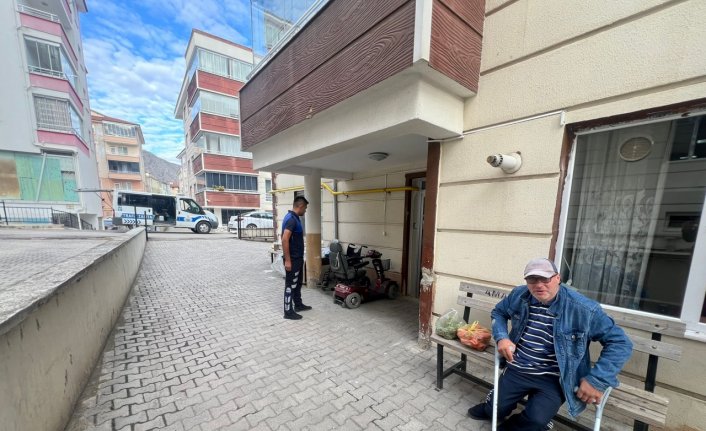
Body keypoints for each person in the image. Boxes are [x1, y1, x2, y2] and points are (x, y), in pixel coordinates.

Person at [467, 258, 633, 431]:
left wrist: (597, 380)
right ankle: (492, 410)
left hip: (554, 378)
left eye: (545, 279)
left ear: (558, 278)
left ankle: (522, 424)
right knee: (495, 408)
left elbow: (620, 343)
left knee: (535, 421)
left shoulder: (583, 309)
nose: (539, 285)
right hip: (518, 367)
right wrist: (502, 337)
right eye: (532, 279)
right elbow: (499, 312)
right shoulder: (519, 294)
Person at [281, 196, 312, 320]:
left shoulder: (293, 218)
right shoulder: (291, 220)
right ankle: (288, 312)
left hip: (297, 258)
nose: (305, 210)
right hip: (292, 260)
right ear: (300, 206)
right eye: (305, 208)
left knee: (298, 283)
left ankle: (298, 304)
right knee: (290, 285)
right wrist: (288, 260)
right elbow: (284, 239)